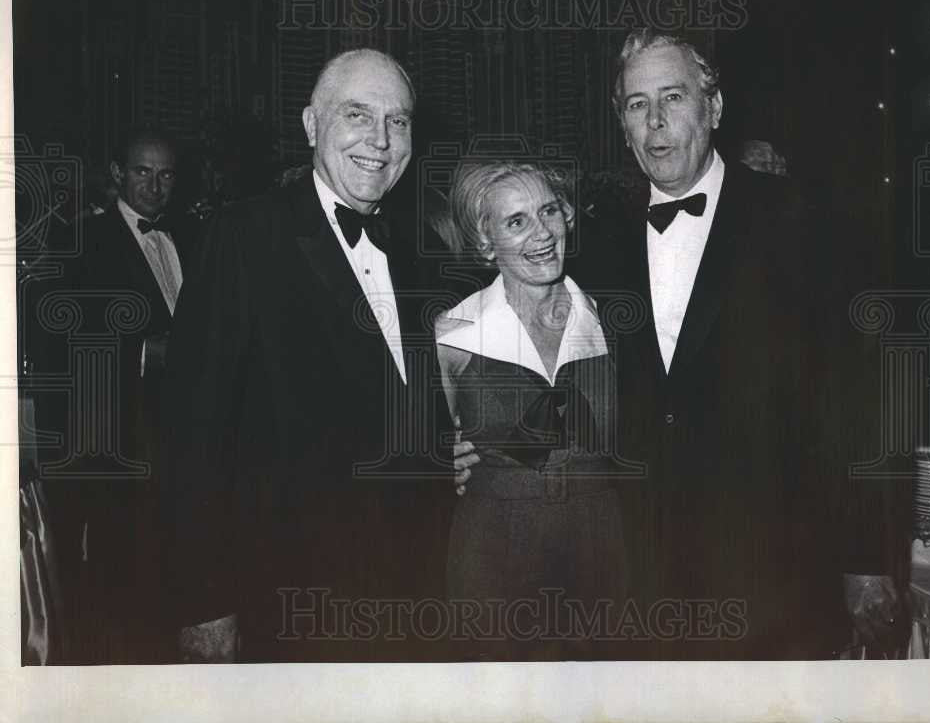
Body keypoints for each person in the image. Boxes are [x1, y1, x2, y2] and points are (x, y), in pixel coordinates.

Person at [571, 29, 909, 659]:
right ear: (621, 124)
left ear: (714, 107)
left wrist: (865, 556)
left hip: (775, 577)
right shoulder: (598, 243)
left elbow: (867, 402)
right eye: (637, 105)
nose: (656, 122)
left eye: (672, 97)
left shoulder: (806, 223)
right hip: (641, 582)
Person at [164, 49, 449, 662]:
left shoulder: (418, 248)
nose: (380, 139)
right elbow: (192, 433)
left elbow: (401, 396)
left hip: (415, 591)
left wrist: (446, 447)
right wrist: (205, 602)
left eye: (397, 121)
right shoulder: (242, 237)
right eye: (357, 114)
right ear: (312, 126)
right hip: (292, 599)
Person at [436, 161, 629, 660]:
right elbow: (421, 452)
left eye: (549, 212)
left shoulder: (614, 322)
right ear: (485, 242)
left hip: (601, 547)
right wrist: (440, 460)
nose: (541, 234)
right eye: (516, 221)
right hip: (493, 555)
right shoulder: (451, 335)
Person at [50, 127, 196, 662]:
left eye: (166, 175)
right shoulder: (85, 240)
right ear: (117, 174)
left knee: (171, 559)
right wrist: (142, 352)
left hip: (180, 431)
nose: (155, 187)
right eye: (142, 172)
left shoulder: (189, 235)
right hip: (118, 433)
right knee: (121, 566)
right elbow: (65, 341)